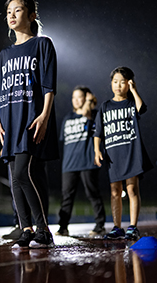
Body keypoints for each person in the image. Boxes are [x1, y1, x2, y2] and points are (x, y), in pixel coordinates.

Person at [0, 0, 59, 249]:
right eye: (8, 11)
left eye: (17, 10)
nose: (11, 15)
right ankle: (26, 228)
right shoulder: (4, 55)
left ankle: (43, 229)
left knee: (23, 172)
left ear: (32, 15)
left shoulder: (43, 44)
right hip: (9, 120)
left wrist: (44, 115)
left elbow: (48, 85)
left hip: (31, 118)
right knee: (15, 177)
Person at [94, 66, 152, 240]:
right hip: (113, 153)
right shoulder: (105, 106)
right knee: (114, 191)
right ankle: (117, 227)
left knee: (132, 188)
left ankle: (133, 226)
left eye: (123, 82)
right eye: (115, 82)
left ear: (129, 83)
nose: (118, 85)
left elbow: (142, 108)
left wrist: (134, 90)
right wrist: (97, 150)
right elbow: (98, 132)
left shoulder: (132, 102)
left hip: (131, 151)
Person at [56, 86, 106, 237]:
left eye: (79, 97)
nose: (75, 100)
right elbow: (64, 140)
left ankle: (100, 225)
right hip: (69, 164)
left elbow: (86, 113)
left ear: (86, 98)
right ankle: (63, 227)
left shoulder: (93, 114)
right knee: (66, 196)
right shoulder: (67, 118)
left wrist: (90, 102)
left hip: (87, 162)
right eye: (73, 97)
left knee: (92, 193)